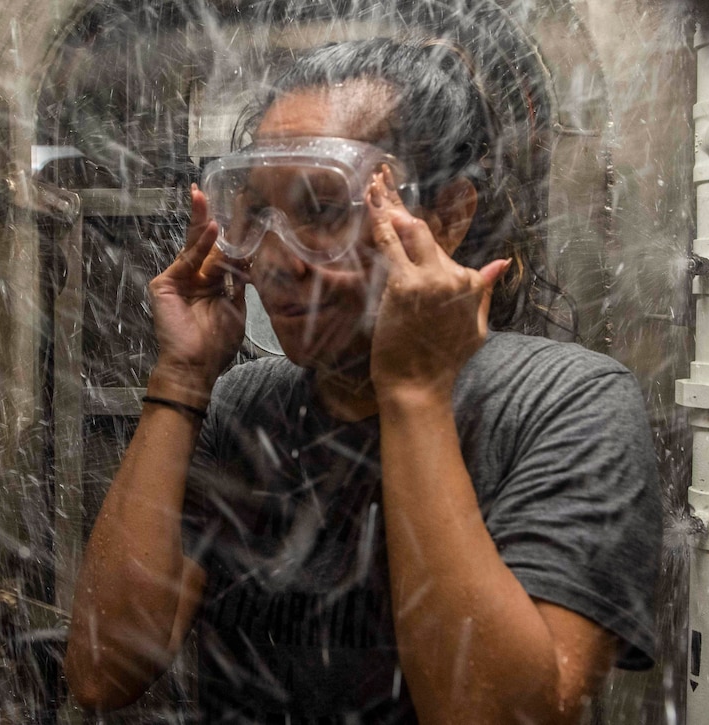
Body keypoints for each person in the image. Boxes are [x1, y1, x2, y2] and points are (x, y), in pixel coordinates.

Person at [65, 12, 661, 724]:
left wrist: (411, 392)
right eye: (256, 212)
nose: (278, 257)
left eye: (322, 209)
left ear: (446, 217)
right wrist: (183, 377)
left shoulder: (564, 403)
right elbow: (103, 671)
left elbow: (497, 716)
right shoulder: (245, 404)